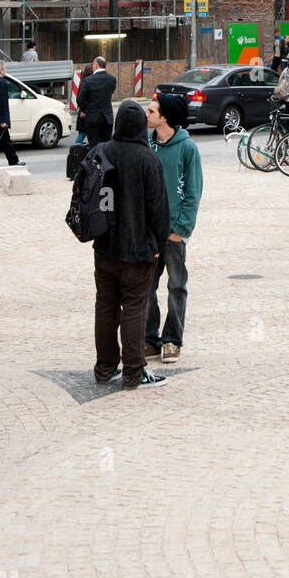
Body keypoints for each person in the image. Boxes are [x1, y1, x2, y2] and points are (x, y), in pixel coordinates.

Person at [93, 100, 170, 389]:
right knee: (135, 308)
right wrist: (158, 243)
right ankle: (134, 372)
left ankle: (104, 369)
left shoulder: (101, 152)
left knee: (105, 306)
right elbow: (158, 209)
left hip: (105, 248)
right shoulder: (147, 158)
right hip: (138, 250)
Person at [144, 93, 203, 366]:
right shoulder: (148, 145)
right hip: (150, 232)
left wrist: (180, 229)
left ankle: (172, 340)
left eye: (152, 110)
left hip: (174, 233)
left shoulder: (187, 148)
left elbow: (193, 191)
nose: (147, 113)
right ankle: (150, 338)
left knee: (176, 287)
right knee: (145, 286)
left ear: (164, 117)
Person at [76, 56, 117, 146]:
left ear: (95, 65)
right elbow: (111, 92)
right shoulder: (112, 79)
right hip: (107, 118)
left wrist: (84, 110)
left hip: (92, 118)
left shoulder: (88, 80)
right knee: (106, 145)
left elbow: (80, 99)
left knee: (94, 146)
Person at [73, 62, 94, 144]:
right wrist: (84, 111)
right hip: (85, 114)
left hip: (82, 114)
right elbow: (81, 99)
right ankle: (75, 150)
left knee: (82, 134)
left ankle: (75, 150)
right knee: (84, 135)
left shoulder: (82, 82)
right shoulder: (87, 84)